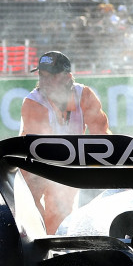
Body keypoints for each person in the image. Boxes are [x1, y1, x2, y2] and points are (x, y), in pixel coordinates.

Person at [20, 50, 111, 234]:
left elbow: (101, 136)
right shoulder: (33, 102)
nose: (44, 81)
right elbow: (42, 149)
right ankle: (35, 244)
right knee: (31, 210)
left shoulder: (84, 95)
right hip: (36, 162)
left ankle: (56, 245)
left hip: (69, 162)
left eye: (51, 76)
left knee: (61, 212)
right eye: (41, 75)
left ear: (67, 76)